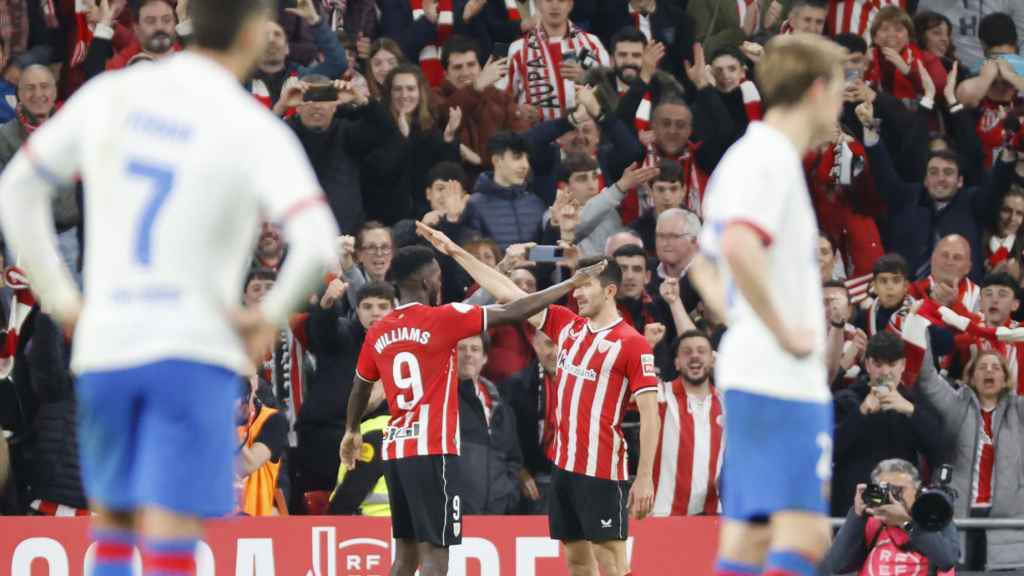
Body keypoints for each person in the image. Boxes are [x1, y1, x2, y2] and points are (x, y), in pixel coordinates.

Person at [0, 1, 340, 575]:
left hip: (109, 343)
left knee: (114, 528)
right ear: (255, 34)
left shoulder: (110, 97)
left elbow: (16, 190)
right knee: (177, 538)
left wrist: (61, 297)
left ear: (187, 22)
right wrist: (268, 316)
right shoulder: (246, 120)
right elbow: (317, 241)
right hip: (194, 348)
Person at [340, 244, 607, 576]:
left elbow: (360, 386)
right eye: (437, 273)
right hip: (432, 451)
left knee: (405, 558)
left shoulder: (380, 330)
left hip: (396, 451)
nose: (440, 279)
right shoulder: (444, 317)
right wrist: (569, 284)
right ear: (427, 281)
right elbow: (517, 309)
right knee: (438, 555)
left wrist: (352, 430)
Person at [417, 223, 661, 576]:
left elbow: (651, 414)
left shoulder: (631, 343)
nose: (575, 294)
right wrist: (454, 250)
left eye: (584, 286)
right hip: (564, 469)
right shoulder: (566, 326)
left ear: (610, 290)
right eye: (574, 285)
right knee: (577, 561)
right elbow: (506, 291)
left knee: (611, 563)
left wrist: (645, 478)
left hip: (603, 470)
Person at [690, 34, 847, 576]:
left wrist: (743, 323)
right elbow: (736, 247)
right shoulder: (771, 159)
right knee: (803, 537)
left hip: (755, 372)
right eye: (842, 88)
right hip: (781, 377)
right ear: (819, 89)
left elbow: (704, 266)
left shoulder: (746, 155)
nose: (842, 103)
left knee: (751, 537)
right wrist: (782, 332)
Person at [912, 341, 1024, 571]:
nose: (989, 371)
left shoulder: (1018, 410)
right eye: (982, 367)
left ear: (1005, 378)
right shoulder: (956, 404)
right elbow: (927, 378)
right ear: (972, 377)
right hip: (958, 517)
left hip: (1006, 524)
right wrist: (918, 325)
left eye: (996, 367)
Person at [831, 332, 944, 517]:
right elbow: (830, 450)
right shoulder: (847, 399)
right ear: (867, 364)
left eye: (891, 365)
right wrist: (862, 412)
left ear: (903, 365)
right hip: (855, 507)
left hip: (899, 508)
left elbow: (940, 449)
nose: (885, 372)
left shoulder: (915, 404)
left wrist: (910, 411)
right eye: (878, 364)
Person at [824, 458, 960, 576]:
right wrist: (857, 515)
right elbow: (837, 565)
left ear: (917, 489)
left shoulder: (933, 517)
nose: (893, 496)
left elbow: (947, 559)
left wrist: (906, 523)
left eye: (899, 490)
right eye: (886, 490)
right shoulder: (871, 521)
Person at [652, 330, 724, 517]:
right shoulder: (660, 394)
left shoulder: (728, 403)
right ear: (676, 362)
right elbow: (618, 385)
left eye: (702, 351)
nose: (694, 356)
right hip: (665, 515)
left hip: (713, 515)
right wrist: (646, 345)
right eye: (687, 352)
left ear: (713, 360)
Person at [450, 334, 524, 514]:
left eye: (475, 349)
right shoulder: (443, 400)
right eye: (462, 348)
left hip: (497, 513)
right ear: (451, 355)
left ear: (484, 358)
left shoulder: (502, 405)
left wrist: (508, 493)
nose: (468, 354)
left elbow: (513, 458)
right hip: (457, 513)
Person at [235, 376, 289, 517]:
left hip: (259, 526)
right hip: (212, 524)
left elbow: (247, 465)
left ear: (255, 382)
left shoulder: (273, 420)